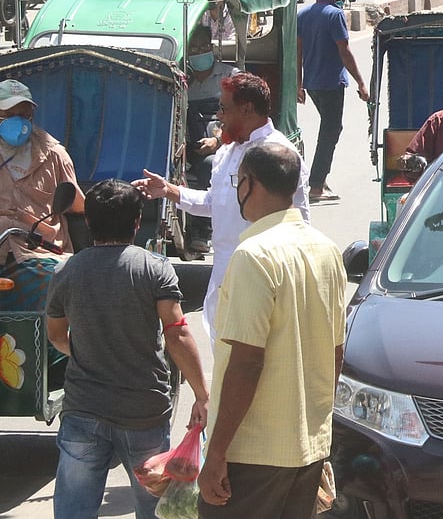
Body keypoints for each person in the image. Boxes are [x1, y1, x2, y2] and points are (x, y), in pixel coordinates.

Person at [197, 144, 346, 518]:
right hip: (306, 449)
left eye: (238, 180)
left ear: (250, 184)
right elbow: (336, 352)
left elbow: (246, 362)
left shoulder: (254, 256)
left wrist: (215, 455)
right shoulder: (326, 250)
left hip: (253, 454)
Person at [46, 179, 209, 519]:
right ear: (137, 222)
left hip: (82, 411)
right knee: (154, 510)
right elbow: (177, 334)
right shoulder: (154, 268)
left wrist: (86, 352)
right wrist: (201, 394)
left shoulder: (67, 271)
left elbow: (57, 335)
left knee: (73, 510)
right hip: (142, 413)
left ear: (88, 222)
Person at [132, 72, 310, 343]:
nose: (219, 116)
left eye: (224, 108)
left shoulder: (280, 155)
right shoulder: (226, 153)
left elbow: (301, 222)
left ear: (247, 109)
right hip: (224, 273)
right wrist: (168, 191)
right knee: (225, 353)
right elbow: (215, 204)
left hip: (265, 274)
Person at [0, 79, 84, 312]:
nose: (17, 122)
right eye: (9, 115)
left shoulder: (54, 154)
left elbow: (78, 205)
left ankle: (56, 346)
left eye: (24, 115)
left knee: (55, 286)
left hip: (39, 253)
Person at [297, 0, 370, 203]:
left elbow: (297, 53)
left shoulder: (304, 13)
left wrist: (299, 84)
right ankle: (316, 185)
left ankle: (320, 178)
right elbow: (345, 51)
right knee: (330, 131)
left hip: (312, 84)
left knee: (329, 129)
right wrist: (361, 82)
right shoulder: (335, 14)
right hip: (330, 83)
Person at [184, 30, 238, 252]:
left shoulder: (230, 76)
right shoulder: (183, 80)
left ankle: (204, 230)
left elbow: (238, 116)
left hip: (224, 144)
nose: (200, 53)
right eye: (194, 49)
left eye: (204, 47)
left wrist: (217, 141)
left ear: (212, 48)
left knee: (211, 165)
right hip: (190, 143)